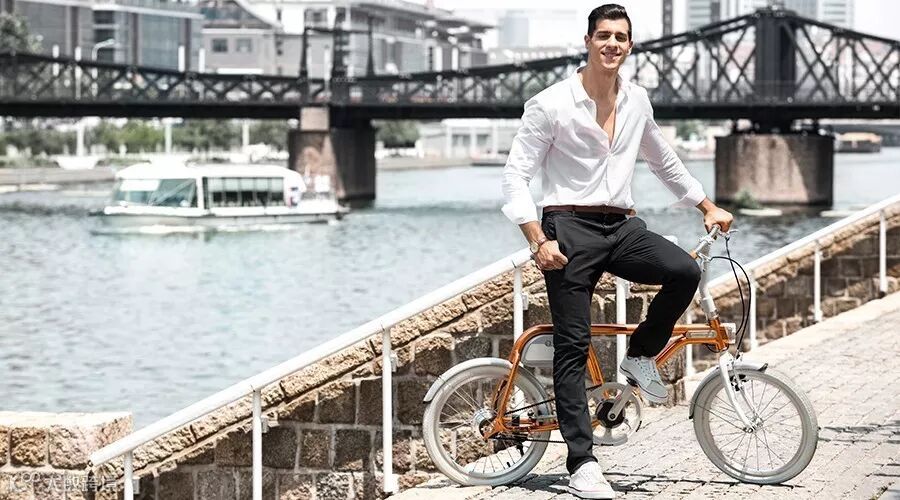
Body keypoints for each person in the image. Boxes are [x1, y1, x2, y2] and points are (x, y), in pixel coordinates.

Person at [500, 4, 734, 499]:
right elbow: (516, 176)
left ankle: (640, 354)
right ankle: (582, 464)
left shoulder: (637, 100)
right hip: (568, 227)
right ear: (587, 41)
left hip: (622, 225)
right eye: (603, 35)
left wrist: (707, 205)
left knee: (684, 271)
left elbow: (664, 161)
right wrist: (538, 240)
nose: (612, 44)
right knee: (573, 343)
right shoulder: (550, 103)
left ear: (630, 45)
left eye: (620, 37)